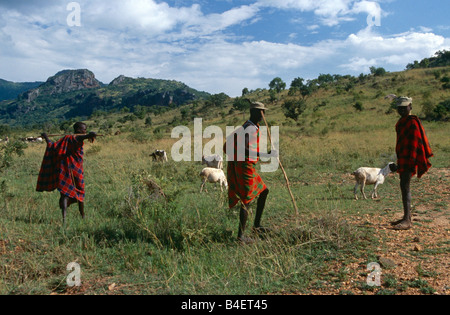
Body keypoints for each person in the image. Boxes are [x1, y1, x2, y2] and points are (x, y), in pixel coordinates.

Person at [224, 101, 274, 243]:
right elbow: (242, 148)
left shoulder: (252, 126)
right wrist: (264, 154)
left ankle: (257, 227)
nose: (263, 115)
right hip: (244, 166)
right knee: (247, 200)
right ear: (255, 112)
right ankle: (240, 237)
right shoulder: (249, 128)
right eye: (261, 112)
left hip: (247, 166)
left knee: (264, 191)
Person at [36, 122, 96, 224]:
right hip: (75, 170)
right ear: (78, 130)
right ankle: (82, 216)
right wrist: (89, 135)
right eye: (83, 129)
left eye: (85, 129)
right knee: (79, 192)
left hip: (64, 170)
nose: (84, 131)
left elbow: (52, 146)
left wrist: (46, 137)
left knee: (64, 193)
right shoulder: (74, 138)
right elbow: (83, 137)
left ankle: (66, 219)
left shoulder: (68, 139)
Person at [392, 97, 433, 230]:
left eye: (404, 107)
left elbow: (415, 142)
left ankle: (407, 220)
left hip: (410, 157)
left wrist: (412, 159)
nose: (402, 110)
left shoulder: (413, 122)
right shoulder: (402, 121)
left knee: (405, 186)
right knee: (403, 186)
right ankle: (406, 217)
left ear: (410, 106)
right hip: (403, 156)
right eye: (399, 108)